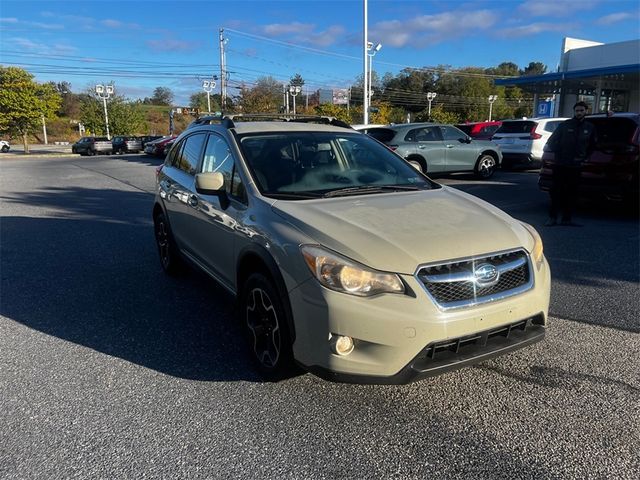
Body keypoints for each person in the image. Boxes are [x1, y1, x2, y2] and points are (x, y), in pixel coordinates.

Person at [544, 101, 596, 226]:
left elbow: (592, 145)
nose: (579, 113)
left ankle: (567, 219)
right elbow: (552, 141)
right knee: (556, 192)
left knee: (572, 193)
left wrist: (584, 158)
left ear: (586, 111)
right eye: (577, 110)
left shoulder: (589, 127)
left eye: (582, 110)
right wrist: (560, 153)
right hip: (561, 165)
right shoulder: (565, 125)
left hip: (576, 166)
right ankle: (552, 218)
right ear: (574, 111)